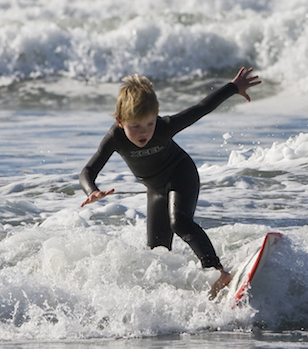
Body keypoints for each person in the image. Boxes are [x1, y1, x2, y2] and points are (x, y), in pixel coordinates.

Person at [79, 67, 260, 297]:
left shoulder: (164, 128)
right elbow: (88, 170)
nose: (144, 132)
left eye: (149, 124)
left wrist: (233, 87)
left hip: (181, 174)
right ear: (120, 121)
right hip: (155, 189)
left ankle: (218, 272)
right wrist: (92, 190)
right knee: (158, 251)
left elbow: (200, 108)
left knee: (180, 223)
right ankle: (173, 294)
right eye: (135, 126)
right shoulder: (115, 138)